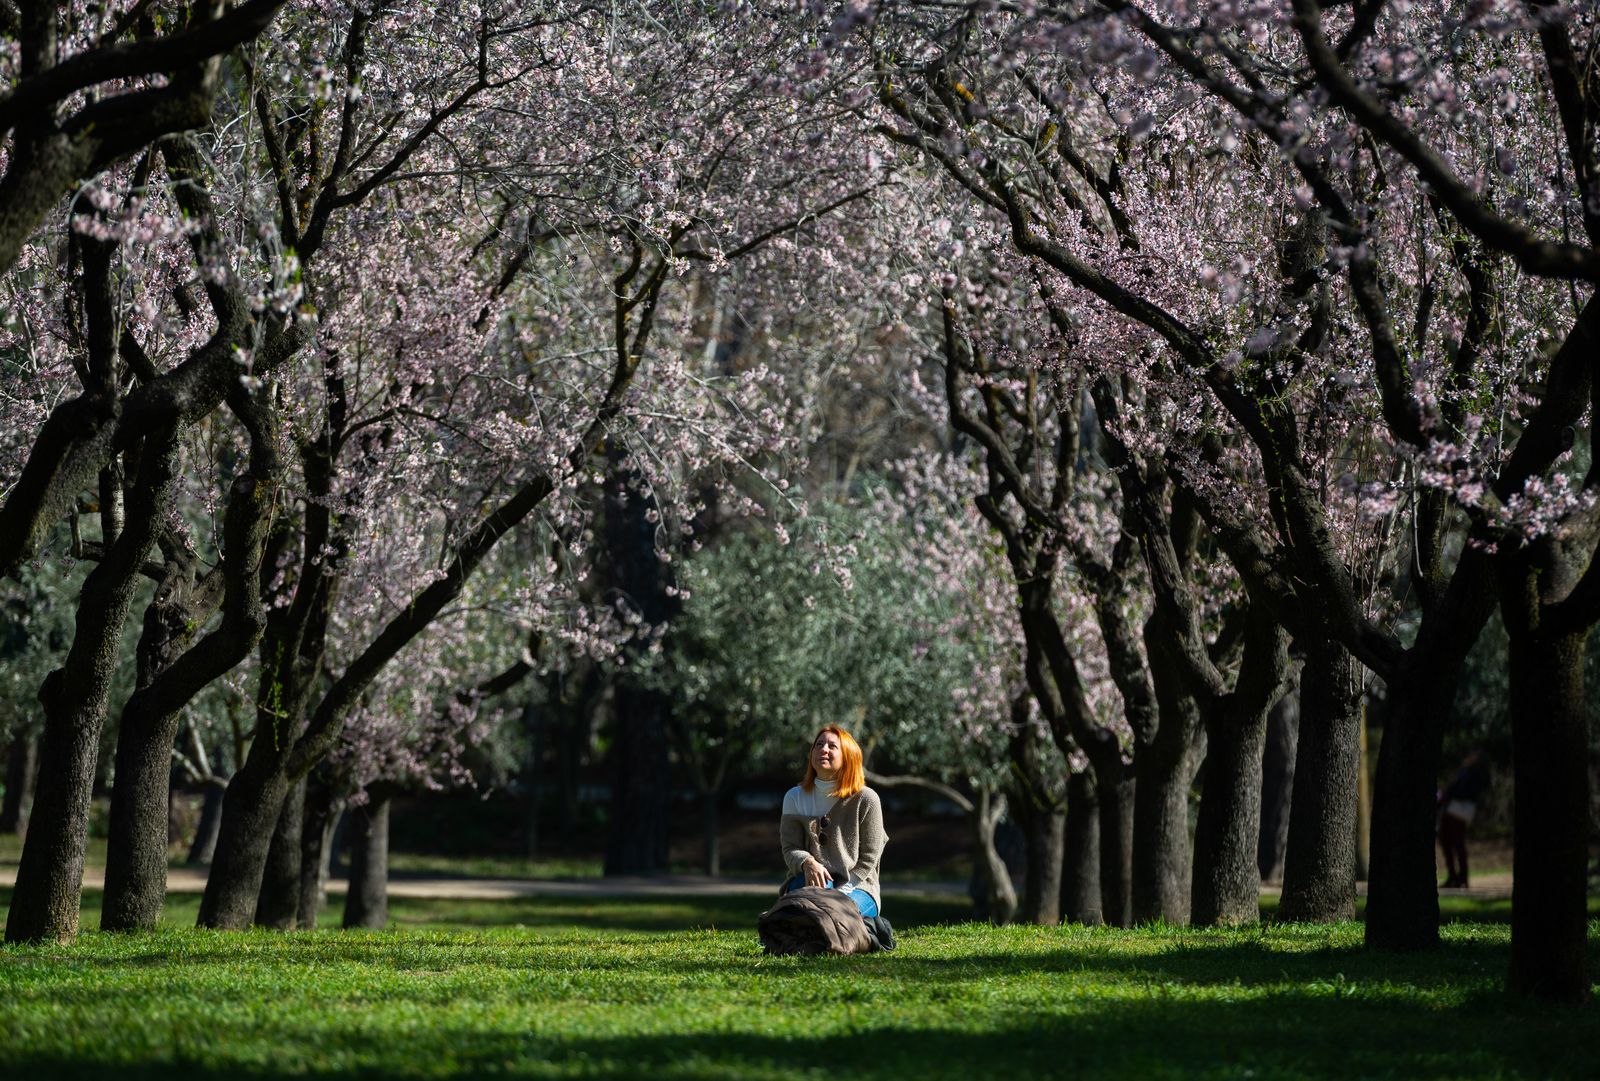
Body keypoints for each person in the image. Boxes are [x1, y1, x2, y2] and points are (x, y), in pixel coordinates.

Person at [779, 725, 887, 918]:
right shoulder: (794, 797)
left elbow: (870, 856)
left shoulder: (866, 798)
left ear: (848, 756)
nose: (823, 750)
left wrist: (843, 891)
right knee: (810, 909)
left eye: (832, 746)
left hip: (858, 887)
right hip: (809, 880)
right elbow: (790, 849)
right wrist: (807, 862)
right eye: (818, 745)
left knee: (832, 913)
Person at [1438, 749, 1491, 888]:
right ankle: (1459, 877)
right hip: (1462, 810)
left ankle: (1458, 877)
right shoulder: (1472, 772)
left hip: (1456, 809)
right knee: (1455, 842)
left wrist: (1446, 795)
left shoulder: (1471, 772)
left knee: (1450, 841)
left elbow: (1459, 790)